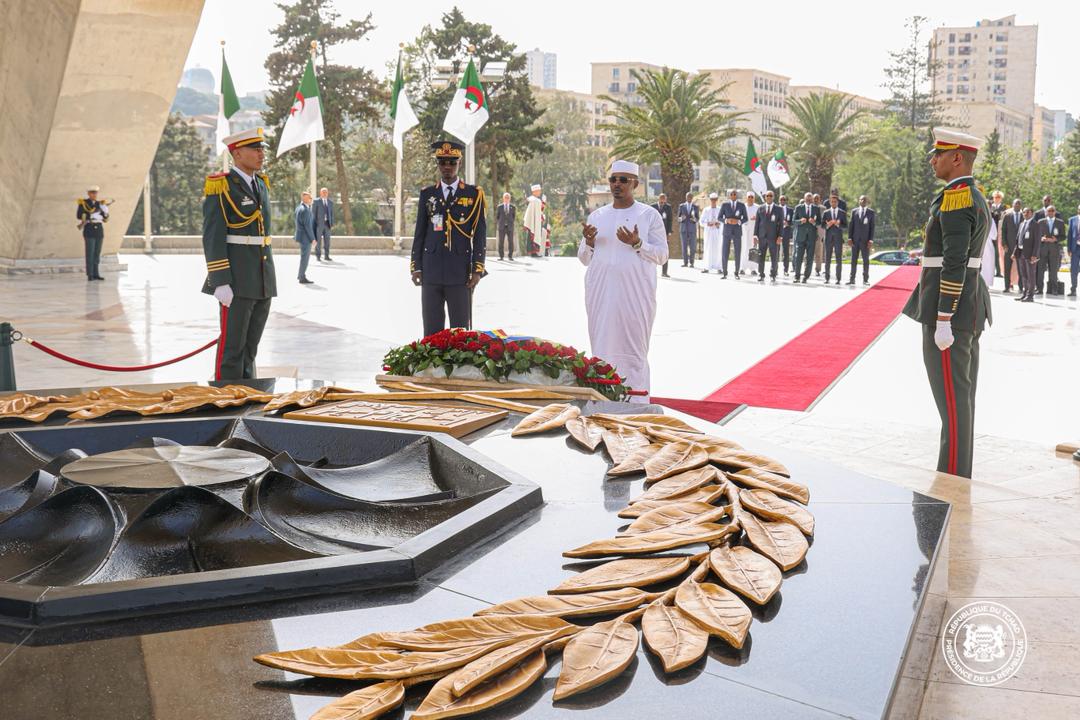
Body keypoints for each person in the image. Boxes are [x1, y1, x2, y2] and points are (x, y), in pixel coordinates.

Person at [901, 128, 990, 479]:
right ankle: (956, 473)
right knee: (960, 402)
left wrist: (942, 318)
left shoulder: (957, 197)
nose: (932, 159)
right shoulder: (970, 195)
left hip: (951, 311)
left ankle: (952, 479)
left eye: (939, 153)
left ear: (957, 158)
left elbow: (954, 262)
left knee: (953, 404)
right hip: (965, 306)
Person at [579, 160, 668, 402]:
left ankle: (637, 403)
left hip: (635, 296)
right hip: (600, 295)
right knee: (602, 349)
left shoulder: (649, 215)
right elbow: (584, 259)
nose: (616, 184)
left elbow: (662, 255)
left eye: (623, 180)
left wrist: (638, 244)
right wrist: (588, 242)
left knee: (633, 351)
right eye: (613, 179)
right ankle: (603, 399)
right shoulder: (597, 215)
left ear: (635, 184)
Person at [201, 127, 277, 381]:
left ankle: (246, 393)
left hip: (262, 276)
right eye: (255, 149)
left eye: (262, 149)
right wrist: (220, 280)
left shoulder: (261, 185)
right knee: (232, 346)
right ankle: (227, 397)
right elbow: (212, 237)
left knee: (251, 346)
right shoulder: (221, 187)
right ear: (237, 153)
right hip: (236, 278)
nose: (261, 154)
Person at [410, 140, 487, 336]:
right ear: (438, 164)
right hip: (431, 270)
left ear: (459, 163)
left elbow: (479, 234)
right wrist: (416, 266)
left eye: (452, 162)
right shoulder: (428, 194)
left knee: (460, 332)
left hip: (460, 273)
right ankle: (431, 367)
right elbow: (420, 233)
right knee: (431, 331)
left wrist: (477, 269)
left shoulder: (473, 194)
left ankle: (459, 368)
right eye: (442, 162)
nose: (447, 167)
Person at [77, 185, 109, 281]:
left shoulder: (100, 204)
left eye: (95, 193)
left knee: (97, 253)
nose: (94, 194)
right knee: (90, 253)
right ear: (88, 193)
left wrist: (106, 212)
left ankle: (96, 273)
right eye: (92, 193)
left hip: (99, 229)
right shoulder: (83, 203)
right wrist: (90, 215)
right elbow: (79, 215)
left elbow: (105, 219)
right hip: (89, 228)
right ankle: (90, 274)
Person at [753, 190, 783, 282]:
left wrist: (780, 236)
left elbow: (781, 224)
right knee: (761, 257)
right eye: (767, 196)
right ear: (765, 197)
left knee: (774, 257)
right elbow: (757, 223)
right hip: (762, 237)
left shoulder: (779, 209)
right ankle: (761, 274)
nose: (769, 197)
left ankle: (773, 275)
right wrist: (755, 235)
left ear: (773, 197)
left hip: (773, 237)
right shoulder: (760, 208)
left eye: (770, 195)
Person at [791, 192, 820, 284]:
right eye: (807, 198)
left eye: (810, 198)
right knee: (798, 257)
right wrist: (800, 221)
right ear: (804, 199)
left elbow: (819, 222)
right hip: (800, 237)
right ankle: (797, 276)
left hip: (811, 237)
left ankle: (806, 277)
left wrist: (814, 222)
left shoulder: (816, 208)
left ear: (812, 199)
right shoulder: (798, 208)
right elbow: (793, 221)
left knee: (810, 258)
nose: (808, 200)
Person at [1036, 205, 1065, 295]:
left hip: (1054, 250)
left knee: (1053, 271)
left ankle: (1054, 289)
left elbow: (1063, 236)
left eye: (1052, 210)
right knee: (1040, 270)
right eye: (1049, 211)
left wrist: (1055, 239)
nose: (1050, 212)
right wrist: (1041, 238)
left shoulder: (1060, 222)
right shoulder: (1040, 222)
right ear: (1046, 212)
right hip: (1042, 249)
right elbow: (1036, 235)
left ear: (1055, 212)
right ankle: (1039, 289)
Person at [719, 189, 748, 278]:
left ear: (737, 195)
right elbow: (719, 217)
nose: (733, 195)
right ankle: (724, 272)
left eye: (735, 194)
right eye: (732, 194)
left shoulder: (742, 205)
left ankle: (736, 273)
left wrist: (738, 221)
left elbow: (745, 218)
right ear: (729, 195)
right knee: (725, 252)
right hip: (727, 232)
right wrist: (727, 220)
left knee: (737, 252)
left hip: (737, 232)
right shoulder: (725, 205)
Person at [848, 195, 875, 285]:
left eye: (864, 200)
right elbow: (851, 226)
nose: (862, 201)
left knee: (866, 260)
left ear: (867, 201)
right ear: (859, 201)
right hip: (855, 241)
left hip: (865, 241)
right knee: (853, 260)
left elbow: (872, 227)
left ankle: (865, 280)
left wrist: (871, 240)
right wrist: (849, 238)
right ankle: (852, 279)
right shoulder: (854, 211)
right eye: (861, 199)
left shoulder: (871, 212)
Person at [999, 198, 1024, 294]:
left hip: (1020, 248)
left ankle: (1021, 287)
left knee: (1020, 268)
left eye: (1019, 204)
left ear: (1021, 205)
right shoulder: (1007, 216)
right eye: (1015, 203)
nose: (1017, 205)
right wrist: (1004, 244)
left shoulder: (1024, 216)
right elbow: (1003, 231)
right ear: (1012, 205)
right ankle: (1006, 287)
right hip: (1008, 247)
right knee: (1007, 268)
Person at [822, 193, 847, 284]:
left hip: (838, 239)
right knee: (827, 259)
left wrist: (838, 224)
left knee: (838, 259)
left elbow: (845, 226)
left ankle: (838, 279)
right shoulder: (826, 212)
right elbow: (822, 225)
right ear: (829, 202)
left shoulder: (842, 213)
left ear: (838, 202)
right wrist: (828, 225)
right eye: (832, 202)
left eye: (835, 202)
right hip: (828, 238)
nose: (833, 203)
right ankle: (827, 278)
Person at [1015, 207, 1037, 302]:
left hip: (1030, 254)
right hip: (1021, 253)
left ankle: (1030, 295)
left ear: (1032, 213)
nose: (1026, 214)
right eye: (1024, 212)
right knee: (1023, 275)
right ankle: (1025, 293)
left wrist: (1034, 255)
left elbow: (1037, 242)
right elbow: (1018, 239)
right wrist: (1014, 252)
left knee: (1030, 275)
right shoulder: (1021, 224)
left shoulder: (1035, 225)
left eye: (1028, 212)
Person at [294, 191, 315, 284]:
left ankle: (301, 275)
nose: (311, 199)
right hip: (305, 238)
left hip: (302, 236)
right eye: (310, 198)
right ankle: (302, 277)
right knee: (305, 258)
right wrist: (313, 239)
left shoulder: (299, 208)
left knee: (304, 257)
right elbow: (308, 226)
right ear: (305, 199)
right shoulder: (305, 210)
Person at [700, 193, 723, 274]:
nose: (713, 201)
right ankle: (707, 267)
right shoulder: (706, 210)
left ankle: (719, 267)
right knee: (708, 248)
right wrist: (707, 224)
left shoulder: (720, 209)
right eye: (712, 199)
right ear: (710, 200)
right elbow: (701, 222)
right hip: (709, 232)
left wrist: (719, 224)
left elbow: (723, 221)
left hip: (717, 232)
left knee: (718, 248)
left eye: (715, 199)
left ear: (717, 200)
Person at [651, 193, 673, 277]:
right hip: (654, 233)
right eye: (661, 201)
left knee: (665, 252)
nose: (662, 203)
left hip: (664, 233)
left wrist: (669, 233)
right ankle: (652, 271)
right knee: (653, 252)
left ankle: (664, 272)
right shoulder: (652, 207)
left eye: (664, 202)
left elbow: (670, 220)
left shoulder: (668, 207)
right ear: (659, 199)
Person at [677, 192, 699, 268]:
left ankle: (692, 262)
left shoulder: (695, 207)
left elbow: (697, 219)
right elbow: (678, 218)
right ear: (686, 197)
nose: (689, 198)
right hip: (683, 229)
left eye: (690, 196)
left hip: (692, 229)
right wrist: (681, 218)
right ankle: (685, 262)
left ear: (692, 197)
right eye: (688, 196)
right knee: (684, 246)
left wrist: (694, 219)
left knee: (693, 247)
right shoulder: (681, 206)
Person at [522, 184, 544, 257]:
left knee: (536, 235)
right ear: (534, 191)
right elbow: (530, 212)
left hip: (536, 222)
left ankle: (534, 252)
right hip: (532, 222)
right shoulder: (534, 200)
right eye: (539, 191)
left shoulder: (536, 200)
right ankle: (532, 252)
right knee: (532, 235)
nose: (540, 192)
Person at [988, 190, 1005, 278]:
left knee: (999, 252)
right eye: (995, 197)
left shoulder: (1004, 207)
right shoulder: (990, 207)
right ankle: (993, 269)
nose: (997, 199)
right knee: (991, 251)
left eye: (998, 197)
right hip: (991, 231)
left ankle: (999, 271)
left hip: (1000, 231)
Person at [314, 187, 333, 261]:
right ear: (320, 193)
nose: (325, 193)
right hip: (319, 225)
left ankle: (327, 256)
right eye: (323, 192)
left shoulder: (330, 202)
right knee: (318, 241)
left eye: (326, 192)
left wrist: (332, 223)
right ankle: (318, 256)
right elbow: (313, 214)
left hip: (327, 224)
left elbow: (331, 214)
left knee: (327, 241)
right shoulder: (316, 201)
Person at [742, 191, 759, 275]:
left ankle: (753, 269)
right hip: (744, 231)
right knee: (744, 248)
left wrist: (756, 218)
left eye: (752, 197)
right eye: (749, 197)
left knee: (753, 249)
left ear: (754, 198)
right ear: (746, 198)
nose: (750, 199)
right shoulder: (742, 207)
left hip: (754, 231)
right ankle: (742, 268)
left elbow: (761, 220)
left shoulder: (757, 207)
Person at [495, 192, 516, 261]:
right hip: (502, 227)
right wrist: (500, 223)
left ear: (510, 199)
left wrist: (511, 223)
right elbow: (497, 217)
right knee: (501, 242)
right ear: (503, 198)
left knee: (511, 242)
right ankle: (501, 256)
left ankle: (510, 256)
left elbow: (513, 217)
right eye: (505, 197)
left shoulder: (513, 207)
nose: (507, 199)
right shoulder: (499, 207)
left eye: (508, 198)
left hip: (510, 227)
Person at [779, 195, 794, 276]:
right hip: (777, 233)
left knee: (786, 252)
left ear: (786, 200)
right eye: (781, 199)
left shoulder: (790, 210)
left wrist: (788, 223)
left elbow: (793, 221)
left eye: (784, 199)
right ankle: (775, 269)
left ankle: (786, 270)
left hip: (786, 232)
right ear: (779, 200)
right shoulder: (776, 209)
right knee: (776, 251)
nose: (782, 201)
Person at [1068, 204, 1080, 297]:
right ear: (1078, 210)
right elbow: (1069, 235)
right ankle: (1073, 289)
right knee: (1074, 270)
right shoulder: (1072, 220)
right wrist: (1069, 248)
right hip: (1075, 248)